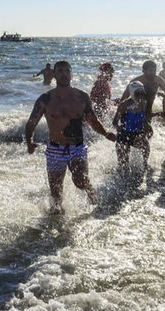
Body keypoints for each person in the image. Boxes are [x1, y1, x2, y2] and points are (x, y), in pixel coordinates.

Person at [25, 61, 116, 214]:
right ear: (54, 75)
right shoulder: (45, 99)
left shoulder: (81, 97)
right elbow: (31, 122)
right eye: (60, 71)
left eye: (67, 70)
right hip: (55, 149)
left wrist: (106, 133)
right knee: (56, 193)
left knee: (80, 180)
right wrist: (29, 142)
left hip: (77, 148)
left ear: (72, 74)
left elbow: (92, 120)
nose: (64, 73)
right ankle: (57, 220)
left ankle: (94, 199)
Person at [120, 60, 165, 129]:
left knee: (148, 134)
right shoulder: (136, 82)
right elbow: (124, 98)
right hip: (135, 112)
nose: (153, 73)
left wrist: (164, 96)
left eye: (154, 70)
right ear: (143, 71)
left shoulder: (158, 80)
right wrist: (121, 115)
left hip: (148, 112)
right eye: (150, 71)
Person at [113, 81, 149, 170]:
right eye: (137, 94)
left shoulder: (144, 103)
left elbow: (144, 119)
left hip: (137, 133)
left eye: (142, 93)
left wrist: (146, 129)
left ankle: (144, 167)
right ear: (132, 93)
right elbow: (114, 121)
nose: (140, 96)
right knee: (123, 164)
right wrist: (118, 127)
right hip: (124, 134)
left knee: (146, 149)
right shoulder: (124, 105)